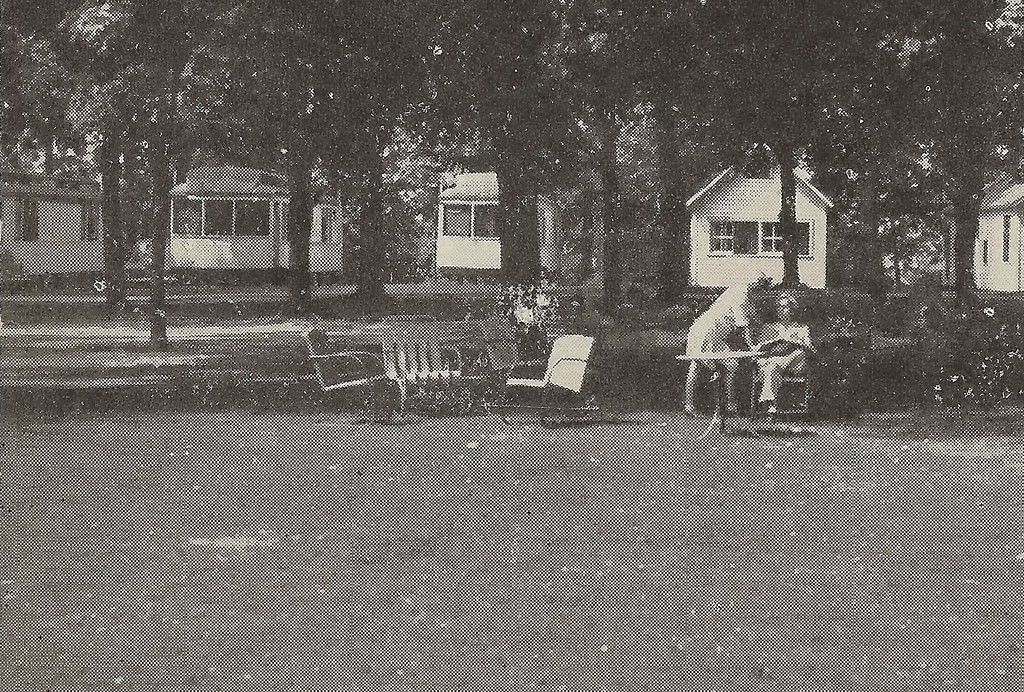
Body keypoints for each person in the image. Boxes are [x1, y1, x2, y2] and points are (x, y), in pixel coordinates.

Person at [684, 273, 774, 416]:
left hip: (706, 330)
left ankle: (702, 405)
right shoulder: (742, 296)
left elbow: (754, 318)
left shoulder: (743, 292)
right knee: (725, 364)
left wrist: (760, 325)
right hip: (709, 332)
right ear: (756, 288)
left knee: (703, 365)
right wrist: (753, 348)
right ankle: (727, 405)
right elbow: (744, 327)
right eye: (761, 291)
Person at [752, 291, 814, 417]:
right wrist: (771, 343)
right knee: (771, 367)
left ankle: (767, 402)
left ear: (792, 309)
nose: (782, 310)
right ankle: (771, 405)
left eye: (785, 307)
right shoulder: (768, 328)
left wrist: (796, 342)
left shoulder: (802, 328)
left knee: (797, 353)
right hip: (772, 362)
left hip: (793, 364)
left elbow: (811, 350)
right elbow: (757, 349)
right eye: (779, 307)